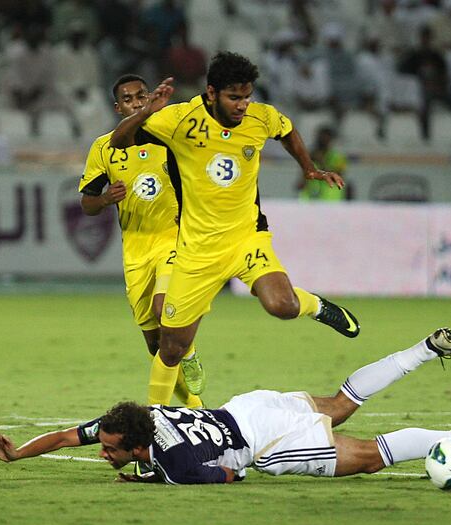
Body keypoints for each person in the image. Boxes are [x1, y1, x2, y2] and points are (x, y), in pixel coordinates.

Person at [108, 51, 361, 406]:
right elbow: (118, 142)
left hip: (246, 239)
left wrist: (308, 168)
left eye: (247, 96)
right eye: (234, 97)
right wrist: (148, 111)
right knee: (171, 347)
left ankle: (316, 306)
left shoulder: (261, 117)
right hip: (197, 250)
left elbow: (286, 131)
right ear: (211, 93)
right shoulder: (180, 119)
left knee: (283, 306)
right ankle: (155, 428)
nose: (243, 105)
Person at [0, 328, 451, 485]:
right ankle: (423, 349)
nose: (100, 451)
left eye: (108, 449)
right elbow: (60, 437)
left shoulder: (173, 467)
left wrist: (152, 478)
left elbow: (227, 478)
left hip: (263, 443)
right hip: (250, 406)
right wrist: (17, 455)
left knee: (369, 456)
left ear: (137, 445)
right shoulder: (134, 422)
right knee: (340, 401)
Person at [78, 74, 202, 411]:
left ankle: (189, 354)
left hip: (171, 238)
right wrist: (105, 200)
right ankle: (196, 405)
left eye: (141, 96)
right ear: (118, 107)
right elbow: (87, 203)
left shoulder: (167, 139)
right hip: (135, 247)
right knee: (155, 345)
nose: (136, 102)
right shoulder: (104, 148)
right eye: (129, 99)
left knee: (166, 312)